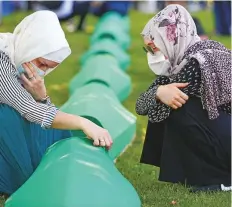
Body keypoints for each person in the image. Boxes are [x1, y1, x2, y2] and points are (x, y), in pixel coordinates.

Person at [0, 10, 113, 197]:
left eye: (48, 68)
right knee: (8, 116)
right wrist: (83, 122)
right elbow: (28, 110)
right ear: (30, 46)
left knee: (51, 121)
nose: (42, 71)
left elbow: (39, 112)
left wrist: (42, 97)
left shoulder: (19, 56)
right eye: (42, 63)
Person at [136, 4, 231, 192]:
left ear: (172, 38)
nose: (153, 54)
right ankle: (200, 173)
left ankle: (224, 179)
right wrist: (158, 92)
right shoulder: (192, 56)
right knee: (166, 99)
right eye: (148, 49)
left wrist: (158, 93)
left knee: (175, 106)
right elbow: (142, 104)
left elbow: (145, 106)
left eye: (155, 47)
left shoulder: (198, 63)